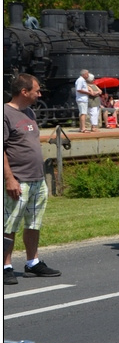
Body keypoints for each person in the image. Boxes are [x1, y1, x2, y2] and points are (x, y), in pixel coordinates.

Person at [4, 74, 60, 285]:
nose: (40, 93)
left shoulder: (29, 112)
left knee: (34, 223)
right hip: (18, 180)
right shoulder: (5, 113)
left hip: (36, 179)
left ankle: (32, 262)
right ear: (24, 92)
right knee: (9, 225)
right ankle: (5, 265)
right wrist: (9, 178)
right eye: (36, 90)